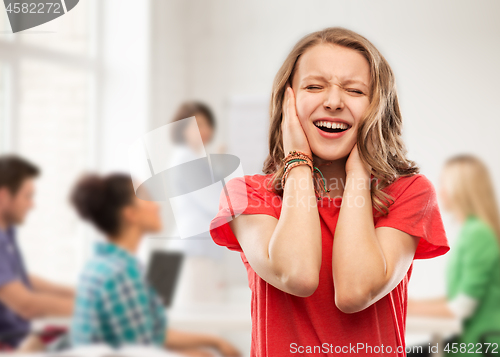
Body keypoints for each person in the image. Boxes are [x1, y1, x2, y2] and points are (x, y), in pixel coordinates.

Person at [209, 26, 450, 357]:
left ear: (377, 107)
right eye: (314, 86)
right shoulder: (247, 194)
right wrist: (298, 162)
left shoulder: (410, 193)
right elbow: (297, 275)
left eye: (354, 90)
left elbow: (354, 291)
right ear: (287, 100)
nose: (334, 102)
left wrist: (358, 172)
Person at [69, 173, 241, 357]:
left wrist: (213, 341)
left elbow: (151, 334)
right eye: (147, 199)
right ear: (130, 214)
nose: (157, 205)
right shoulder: (121, 273)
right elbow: (141, 349)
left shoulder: (104, 265)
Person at [407, 155, 500, 356]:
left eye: (444, 184)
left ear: (461, 190)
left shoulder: (478, 234)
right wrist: (413, 305)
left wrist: (405, 309)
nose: (440, 192)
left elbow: (461, 308)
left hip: (479, 345)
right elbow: (459, 297)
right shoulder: (472, 230)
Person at [0, 154, 74, 350]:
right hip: (10, 344)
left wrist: (78, 292)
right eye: (28, 196)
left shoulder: (7, 233)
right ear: (4, 196)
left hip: (22, 338)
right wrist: (93, 308)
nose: (32, 205)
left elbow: (18, 279)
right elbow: (26, 305)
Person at [167, 101, 228, 306]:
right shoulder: (185, 158)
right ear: (183, 129)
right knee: (200, 319)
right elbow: (213, 201)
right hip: (194, 249)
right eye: (197, 124)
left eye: (207, 124)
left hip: (197, 247)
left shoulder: (194, 159)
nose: (205, 130)